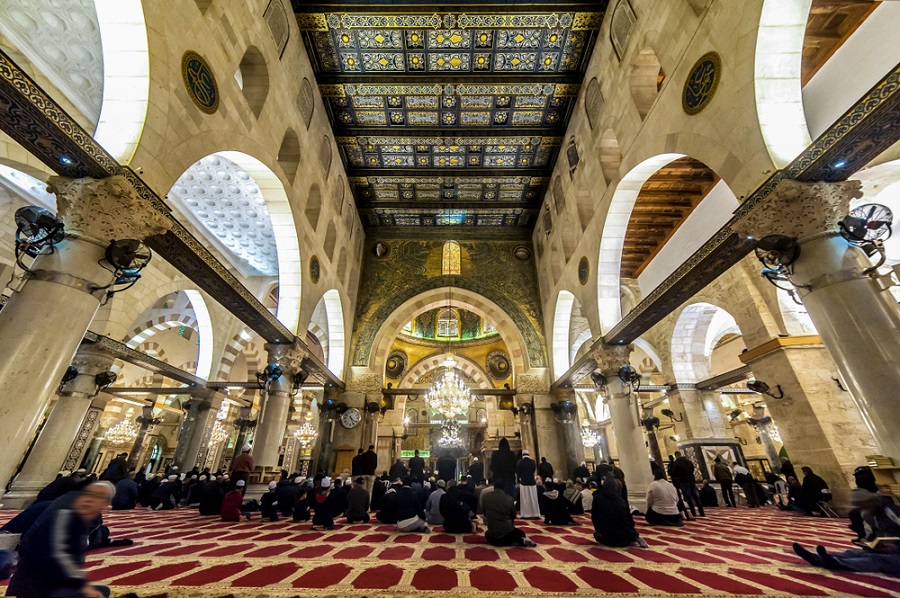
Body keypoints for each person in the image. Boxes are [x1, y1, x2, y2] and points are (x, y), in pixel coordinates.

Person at [7, 482, 116, 598]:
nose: (90, 499)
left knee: (103, 591)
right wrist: (82, 586)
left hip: (52, 584)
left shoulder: (82, 522)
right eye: (88, 494)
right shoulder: (64, 516)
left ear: (106, 503)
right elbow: (55, 556)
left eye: (97, 496)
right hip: (35, 588)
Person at [793, 488, 900, 575]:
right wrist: (867, 541)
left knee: (876, 559)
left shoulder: (892, 511)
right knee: (856, 553)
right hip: (887, 549)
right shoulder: (867, 514)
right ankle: (819, 559)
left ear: (871, 501)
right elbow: (870, 534)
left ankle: (836, 563)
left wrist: (896, 546)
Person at [592, 476, 648, 548]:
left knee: (596, 534)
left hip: (608, 538)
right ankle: (634, 537)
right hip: (625, 538)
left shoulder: (597, 497)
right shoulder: (622, 501)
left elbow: (595, 519)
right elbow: (629, 521)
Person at [482, 481, 536, 547]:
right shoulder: (509, 499)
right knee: (521, 533)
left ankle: (513, 542)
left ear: (494, 487)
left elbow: (485, 513)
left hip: (492, 535)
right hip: (507, 533)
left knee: (487, 534)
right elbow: (513, 516)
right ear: (504, 488)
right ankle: (518, 541)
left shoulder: (485, 497)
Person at [670, 451, 704, 517]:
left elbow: (674, 473)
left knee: (689, 498)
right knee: (696, 498)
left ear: (676, 456)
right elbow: (692, 469)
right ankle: (701, 512)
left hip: (683, 482)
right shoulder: (688, 461)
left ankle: (693, 513)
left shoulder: (677, 463)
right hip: (691, 481)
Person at [516, 450, 541, 518]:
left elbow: (518, 471)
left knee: (525, 499)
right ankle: (536, 514)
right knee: (534, 499)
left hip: (524, 482)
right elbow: (533, 470)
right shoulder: (532, 462)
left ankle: (525, 515)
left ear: (523, 455)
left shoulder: (520, 462)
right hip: (532, 482)